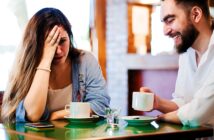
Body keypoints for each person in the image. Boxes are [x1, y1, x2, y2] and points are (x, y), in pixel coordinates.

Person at [1, 7, 110, 123]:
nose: (58, 51)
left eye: (62, 41)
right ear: (36, 43)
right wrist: (46, 59)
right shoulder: (25, 65)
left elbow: (100, 104)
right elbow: (32, 115)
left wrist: (57, 115)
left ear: (70, 37)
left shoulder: (86, 60)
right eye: (50, 43)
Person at [140, 0, 214, 127]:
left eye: (170, 20)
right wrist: (158, 103)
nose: (165, 31)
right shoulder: (186, 53)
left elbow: (196, 113)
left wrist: (163, 118)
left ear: (196, 14)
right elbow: (185, 103)